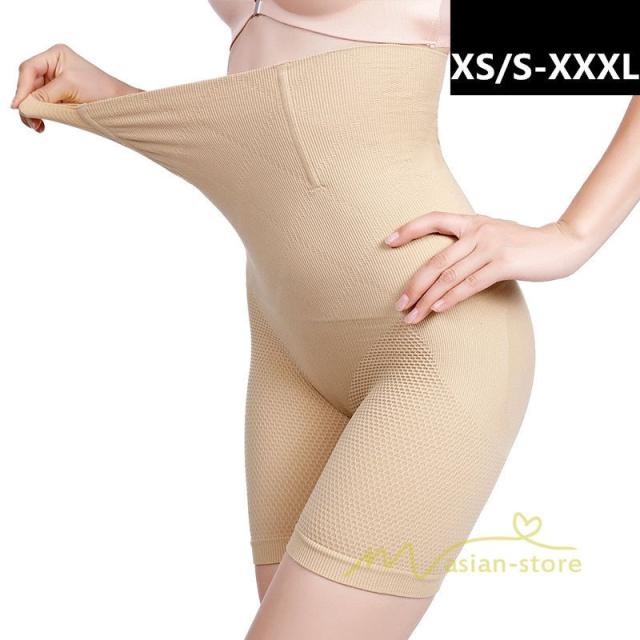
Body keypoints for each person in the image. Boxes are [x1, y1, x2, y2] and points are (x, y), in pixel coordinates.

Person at [11, 1, 640, 638]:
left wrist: (572, 236)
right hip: (288, 353)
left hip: (432, 342)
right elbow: (274, 144)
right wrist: (109, 96)